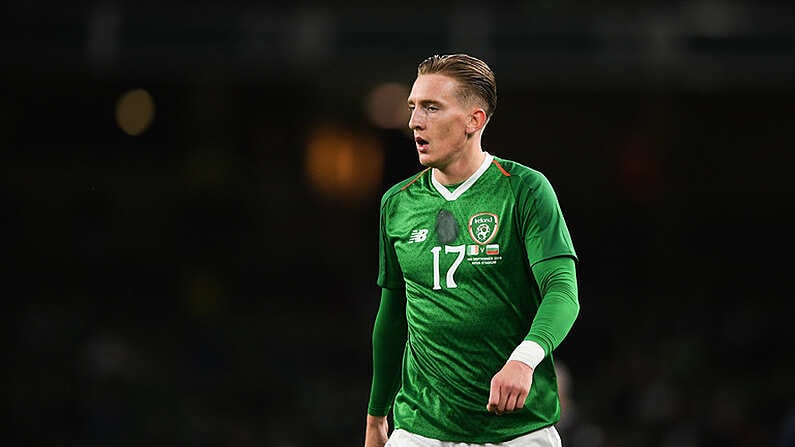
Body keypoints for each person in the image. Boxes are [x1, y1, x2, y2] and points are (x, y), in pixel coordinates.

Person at [364, 53, 580, 447]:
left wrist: (524, 358)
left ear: (474, 121)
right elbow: (393, 313)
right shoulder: (397, 203)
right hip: (419, 427)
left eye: (431, 107)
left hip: (516, 429)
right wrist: (377, 414)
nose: (414, 121)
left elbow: (563, 291)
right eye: (413, 107)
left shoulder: (524, 189)